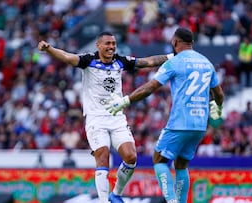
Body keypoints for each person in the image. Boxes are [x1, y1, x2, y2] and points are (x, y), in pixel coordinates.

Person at [38, 31, 172, 203]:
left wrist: (171, 56)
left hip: (117, 118)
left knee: (131, 157)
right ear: (98, 45)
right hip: (96, 118)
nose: (111, 47)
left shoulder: (120, 61)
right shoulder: (88, 60)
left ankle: (116, 194)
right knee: (103, 156)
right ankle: (103, 201)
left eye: (113, 44)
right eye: (107, 43)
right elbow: (67, 57)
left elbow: (148, 62)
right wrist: (49, 49)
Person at [105, 27, 225, 203]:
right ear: (191, 43)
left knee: (159, 160)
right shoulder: (206, 63)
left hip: (179, 122)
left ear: (175, 42)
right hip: (200, 124)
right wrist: (217, 108)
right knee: (181, 164)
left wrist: (125, 101)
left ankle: (171, 200)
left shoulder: (174, 62)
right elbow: (219, 95)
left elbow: (150, 87)